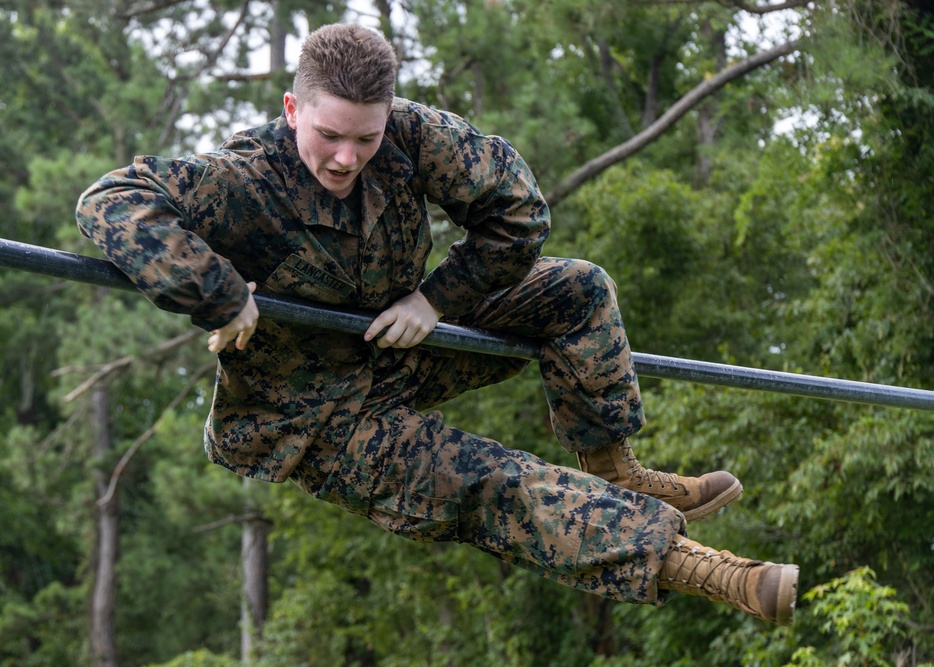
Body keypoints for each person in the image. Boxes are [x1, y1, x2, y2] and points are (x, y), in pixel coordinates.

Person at [76, 23, 798, 623]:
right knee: (498, 483)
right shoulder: (244, 178)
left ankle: (618, 471)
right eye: (329, 135)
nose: (346, 157)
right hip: (320, 418)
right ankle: (725, 576)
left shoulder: (411, 135)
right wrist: (221, 292)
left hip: (400, 340)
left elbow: (519, 211)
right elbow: (111, 201)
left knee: (577, 289)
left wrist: (437, 299)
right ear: (293, 110)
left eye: (366, 138)